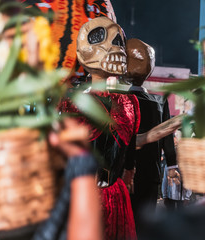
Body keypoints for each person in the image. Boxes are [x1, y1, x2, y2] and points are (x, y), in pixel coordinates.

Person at [59, 17, 139, 239]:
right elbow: (130, 159)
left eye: (120, 41)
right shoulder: (129, 104)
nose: (118, 47)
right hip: (112, 193)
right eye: (106, 39)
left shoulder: (72, 103)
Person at [125, 38, 179, 234]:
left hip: (124, 173)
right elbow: (168, 137)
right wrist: (172, 165)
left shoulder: (118, 99)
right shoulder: (158, 102)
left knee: (125, 222)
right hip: (150, 172)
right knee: (144, 225)